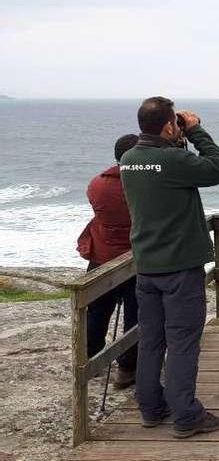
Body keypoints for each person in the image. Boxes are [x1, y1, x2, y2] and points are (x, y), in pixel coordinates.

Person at [120, 96, 219, 439]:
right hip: (180, 267)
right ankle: (186, 415)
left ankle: (151, 408)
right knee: (182, 342)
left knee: (151, 341)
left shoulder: (129, 159)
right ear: (169, 125)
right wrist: (196, 131)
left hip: (147, 266)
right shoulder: (172, 159)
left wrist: (178, 139)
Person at [77, 133, 140, 389]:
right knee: (135, 315)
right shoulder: (141, 186)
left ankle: (91, 357)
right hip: (134, 258)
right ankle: (127, 368)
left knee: (98, 310)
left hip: (101, 257)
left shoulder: (97, 184)